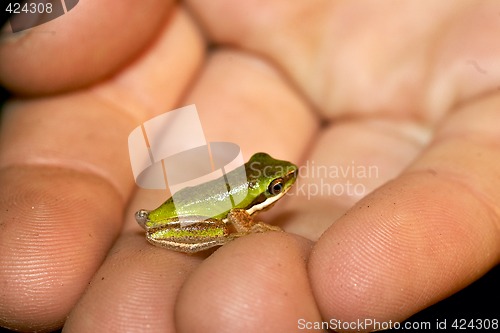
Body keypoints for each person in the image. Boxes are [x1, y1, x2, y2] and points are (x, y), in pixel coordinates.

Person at [0, 1, 498, 331]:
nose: (283, 183)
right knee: (230, 231)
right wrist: (246, 228)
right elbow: (240, 218)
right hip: (178, 223)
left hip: (186, 206)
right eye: (276, 183)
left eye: (276, 181)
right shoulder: (249, 207)